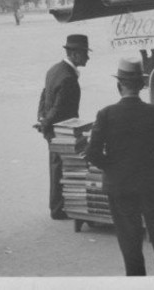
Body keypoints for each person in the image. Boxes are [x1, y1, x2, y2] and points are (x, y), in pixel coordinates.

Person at [86, 57, 154, 276]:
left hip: (120, 186)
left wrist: (113, 167)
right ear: (141, 86)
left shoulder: (106, 114)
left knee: (129, 240)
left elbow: (92, 153)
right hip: (151, 184)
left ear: (118, 85)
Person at [37, 34, 90, 220]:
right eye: (85, 54)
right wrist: (45, 122)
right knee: (62, 168)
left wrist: (42, 118)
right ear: (75, 55)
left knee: (56, 166)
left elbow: (44, 96)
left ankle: (57, 206)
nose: (87, 58)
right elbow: (59, 109)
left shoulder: (53, 70)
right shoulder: (69, 78)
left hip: (51, 128)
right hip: (62, 131)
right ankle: (58, 208)